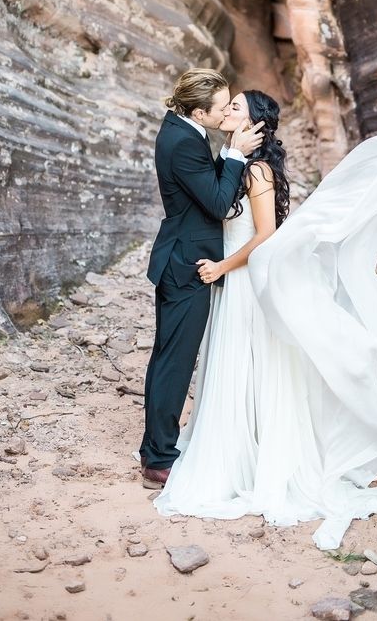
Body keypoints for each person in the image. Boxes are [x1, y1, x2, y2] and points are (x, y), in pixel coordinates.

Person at [154, 89, 377, 549]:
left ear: (256, 125)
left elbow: (266, 236)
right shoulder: (236, 163)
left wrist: (222, 267)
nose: (227, 110)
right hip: (235, 285)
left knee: (251, 368)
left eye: (236, 107)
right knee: (237, 370)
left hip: (244, 283)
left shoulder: (259, 171)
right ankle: (238, 447)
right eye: (227, 106)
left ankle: (259, 460)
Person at [140, 69, 264, 488]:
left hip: (183, 255)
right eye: (221, 108)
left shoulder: (183, 130)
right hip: (188, 263)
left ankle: (157, 450)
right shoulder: (183, 142)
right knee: (174, 362)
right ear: (198, 110)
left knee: (168, 357)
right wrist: (235, 155)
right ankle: (158, 460)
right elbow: (214, 202)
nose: (227, 111)